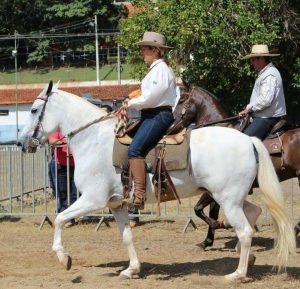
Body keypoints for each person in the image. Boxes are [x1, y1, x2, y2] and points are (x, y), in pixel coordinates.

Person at [126, 31, 177, 209]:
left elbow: (150, 98)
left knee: (134, 150)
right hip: (150, 114)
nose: (142, 52)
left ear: (155, 50)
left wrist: (130, 103)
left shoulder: (161, 70)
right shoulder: (156, 70)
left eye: (145, 48)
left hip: (157, 114)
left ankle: (139, 195)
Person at [238, 44, 286, 140]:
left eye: (253, 59)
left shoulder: (269, 75)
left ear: (262, 59)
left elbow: (265, 100)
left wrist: (248, 109)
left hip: (266, 118)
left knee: (244, 141)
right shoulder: (265, 73)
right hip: (263, 116)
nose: (251, 62)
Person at [48, 132, 78, 226]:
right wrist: (63, 142)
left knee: (75, 193)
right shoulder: (57, 130)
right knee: (62, 193)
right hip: (60, 166)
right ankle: (64, 218)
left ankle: (69, 216)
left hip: (76, 166)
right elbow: (52, 140)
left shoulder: (75, 128)